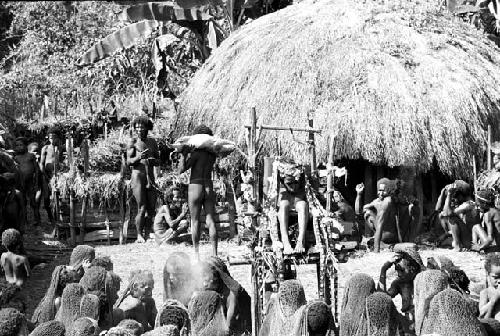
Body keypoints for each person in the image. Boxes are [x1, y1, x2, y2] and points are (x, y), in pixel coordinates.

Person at [178, 125, 218, 258]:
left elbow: (182, 169)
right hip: (208, 185)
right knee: (210, 220)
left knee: (195, 221)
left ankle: (196, 254)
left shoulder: (196, 154)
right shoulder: (212, 155)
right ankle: (215, 253)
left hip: (195, 185)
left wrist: (183, 155)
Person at [127, 116, 159, 243]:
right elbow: (129, 162)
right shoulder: (132, 141)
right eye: (137, 127)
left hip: (150, 177)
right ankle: (139, 235)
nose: (139, 129)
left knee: (151, 207)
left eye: (142, 126)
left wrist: (152, 160)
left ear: (147, 127)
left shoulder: (152, 142)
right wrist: (139, 157)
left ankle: (148, 233)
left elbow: (158, 160)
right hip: (138, 177)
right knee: (142, 206)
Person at [201, 257, 251, 335]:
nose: (203, 282)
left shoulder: (232, 295)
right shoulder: (216, 293)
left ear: (217, 276)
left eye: (205, 276)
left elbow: (227, 330)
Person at [378, 243, 423, 332]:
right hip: (409, 324)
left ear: (413, 268)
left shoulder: (424, 280)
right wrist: (383, 271)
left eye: (402, 270)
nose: (399, 274)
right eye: (397, 270)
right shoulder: (399, 283)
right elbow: (381, 298)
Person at [276, 161, 309, 255]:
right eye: (290, 183)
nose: (293, 186)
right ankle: (285, 241)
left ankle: (300, 240)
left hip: (299, 209)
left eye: (296, 183)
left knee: (302, 204)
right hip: (284, 210)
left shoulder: (303, 189)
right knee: (284, 203)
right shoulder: (280, 190)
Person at [358, 179, 398, 252]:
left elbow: (380, 224)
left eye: (384, 191)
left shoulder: (388, 202)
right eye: (379, 190)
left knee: (370, 214)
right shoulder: (377, 201)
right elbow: (359, 211)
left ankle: (379, 242)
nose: (381, 193)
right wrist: (359, 194)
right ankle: (378, 240)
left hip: (390, 236)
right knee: (367, 213)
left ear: (388, 191)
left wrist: (376, 251)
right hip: (381, 234)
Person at [436, 181, 478, 251]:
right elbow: (437, 209)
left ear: (461, 195)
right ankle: (454, 241)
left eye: (455, 197)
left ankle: (457, 245)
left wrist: (449, 195)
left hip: (470, 240)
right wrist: (442, 192)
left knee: (451, 218)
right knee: (441, 215)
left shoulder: (469, 203)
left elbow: (447, 214)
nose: (454, 200)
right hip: (465, 235)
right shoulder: (461, 203)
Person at [13, 137, 40, 226]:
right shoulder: (16, 158)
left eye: (21, 145)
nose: (19, 147)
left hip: (30, 183)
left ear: (26, 146)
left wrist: (36, 182)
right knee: (22, 202)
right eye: (17, 145)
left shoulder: (30, 156)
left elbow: (36, 170)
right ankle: (24, 220)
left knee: (33, 202)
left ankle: (37, 220)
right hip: (20, 183)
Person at [413, 270, 449, 336]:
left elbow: (422, 304)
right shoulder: (441, 277)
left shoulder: (420, 277)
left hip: (429, 325)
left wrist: (418, 327)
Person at [40, 129, 60, 228]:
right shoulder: (45, 148)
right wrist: (44, 175)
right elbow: (41, 164)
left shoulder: (59, 148)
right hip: (46, 176)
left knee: (57, 197)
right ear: (48, 137)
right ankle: (50, 217)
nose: (52, 139)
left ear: (57, 138)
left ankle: (57, 217)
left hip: (56, 176)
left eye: (54, 137)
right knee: (46, 198)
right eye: (50, 137)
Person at [479, 254, 500, 320]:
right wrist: (494, 300)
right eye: (495, 277)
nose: (499, 281)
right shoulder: (486, 293)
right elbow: (483, 316)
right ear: (488, 275)